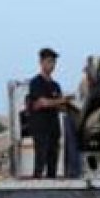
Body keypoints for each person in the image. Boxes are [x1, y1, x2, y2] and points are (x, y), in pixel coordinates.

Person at [26, 47, 73, 179]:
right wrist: (60, 100)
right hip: (41, 128)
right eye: (48, 61)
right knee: (40, 160)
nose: (51, 65)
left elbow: (60, 107)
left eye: (53, 62)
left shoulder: (55, 85)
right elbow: (42, 103)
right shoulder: (36, 82)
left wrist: (67, 103)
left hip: (54, 129)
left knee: (53, 161)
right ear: (41, 62)